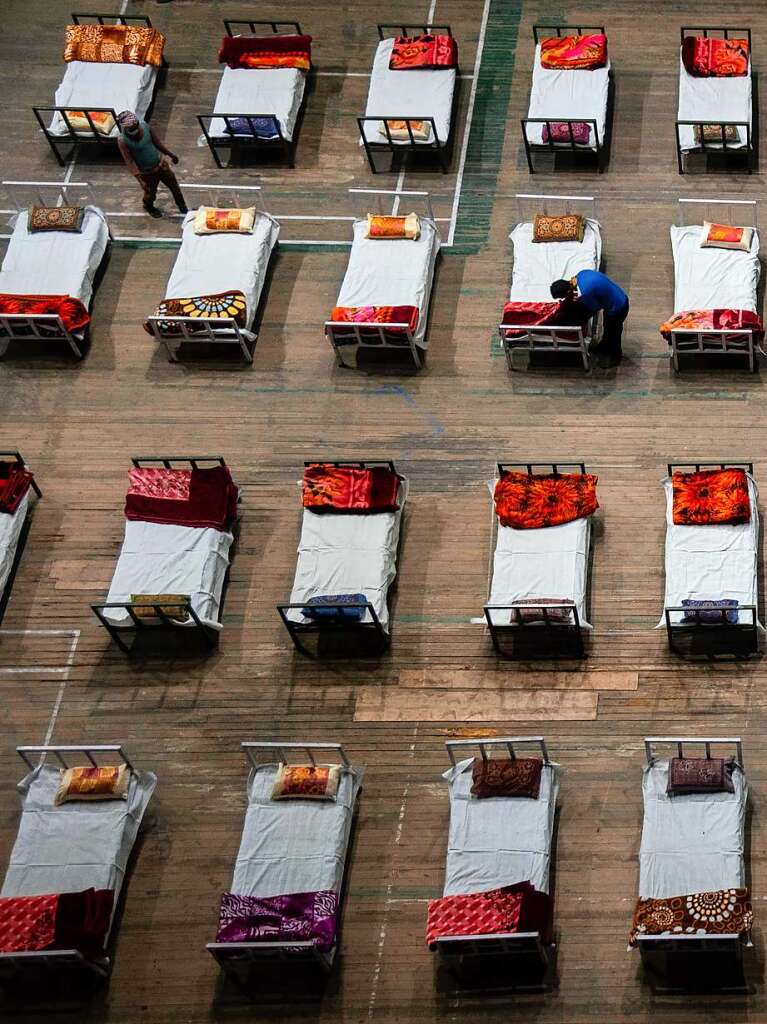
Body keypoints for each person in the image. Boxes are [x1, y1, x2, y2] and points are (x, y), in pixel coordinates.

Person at [116, 111, 187, 219]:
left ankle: (182, 207)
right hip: (146, 173)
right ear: (125, 128)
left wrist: (171, 155)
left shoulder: (145, 126)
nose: (135, 130)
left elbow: (157, 143)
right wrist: (140, 179)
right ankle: (148, 206)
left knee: (175, 187)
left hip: (161, 166)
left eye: (136, 126)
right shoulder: (123, 141)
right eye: (132, 129)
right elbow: (129, 161)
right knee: (150, 194)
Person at [550, 270, 629, 368]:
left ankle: (614, 356)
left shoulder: (585, 293)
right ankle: (603, 347)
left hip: (618, 307)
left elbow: (594, 308)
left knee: (613, 332)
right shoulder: (580, 275)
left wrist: (580, 319)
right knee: (607, 328)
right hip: (617, 296)